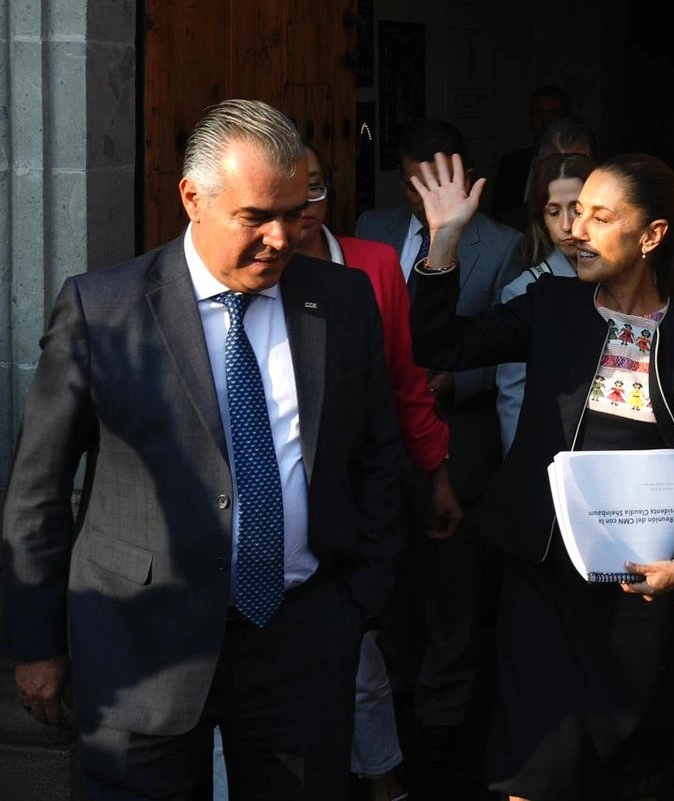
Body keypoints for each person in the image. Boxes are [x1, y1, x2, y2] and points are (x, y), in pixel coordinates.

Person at [0, 99, 403, 799]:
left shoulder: (340, 299)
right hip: (141, 647)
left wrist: (356, 602)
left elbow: (375, 455)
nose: (281, 237)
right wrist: (36, 643)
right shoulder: (104, 309)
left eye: (294, 209)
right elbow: (37, 489)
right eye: (256, 217)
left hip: (300, 639)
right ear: (193, 197)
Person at [408, 150, 674, 801]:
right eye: (574, 213)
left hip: (642, 591)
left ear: (651, 236)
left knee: (629, 768)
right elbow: (439, 344)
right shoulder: (550, 304)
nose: (576, 230)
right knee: (533, 761)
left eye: (599, 216)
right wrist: (444, 240)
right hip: (542, 575)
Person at [212, 142, 459, 801]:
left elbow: (396, 397)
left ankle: (386, 778)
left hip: (326, 578)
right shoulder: (165, 302)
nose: (291, 223)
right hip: (206, 610)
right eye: (266, 209)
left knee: (349, 697)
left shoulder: (362, 275)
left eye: (308, 197)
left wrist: (362, 589)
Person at [356, 117, 523, 762]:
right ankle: (392, 699)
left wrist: (456, 379)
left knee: (453, 588)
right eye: (406, 182)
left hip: (456, 440)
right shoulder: (370, 229)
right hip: (378, 440)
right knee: (389, 576)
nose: (415, 197)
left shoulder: (503, 244)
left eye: (427, 182)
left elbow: (512, 343)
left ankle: (444, 719)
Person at [496, 151, 597, 453]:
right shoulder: (525, 290)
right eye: (553, 212)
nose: (567, 225)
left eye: (577, 209)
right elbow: (514, 397)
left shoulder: (625, 280)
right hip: (552, 455)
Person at [493, 114, 599, 234]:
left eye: (577, 167)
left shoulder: (612, 228)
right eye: (553, 168)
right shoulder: (511, 236)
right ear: (536, 170)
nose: (564, 176)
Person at [490, 84, 571, 222]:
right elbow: (499, 216)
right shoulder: (510, 164)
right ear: (530, 118)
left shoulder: (575, 164)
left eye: (554, 114)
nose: (546, 120)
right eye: (539, 113)